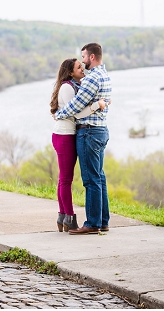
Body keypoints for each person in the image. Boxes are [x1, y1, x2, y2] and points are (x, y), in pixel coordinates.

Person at [55, 42, 113, 235]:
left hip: (89, 132)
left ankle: (92, 223)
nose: (83, 62)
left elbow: (76, 108)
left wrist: (60, 113)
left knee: (91, 180)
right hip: (101, 130)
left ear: (92, 57)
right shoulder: (105, 75)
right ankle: (103, 221)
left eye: (84, 58)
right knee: (100, 177)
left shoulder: (90, 79)